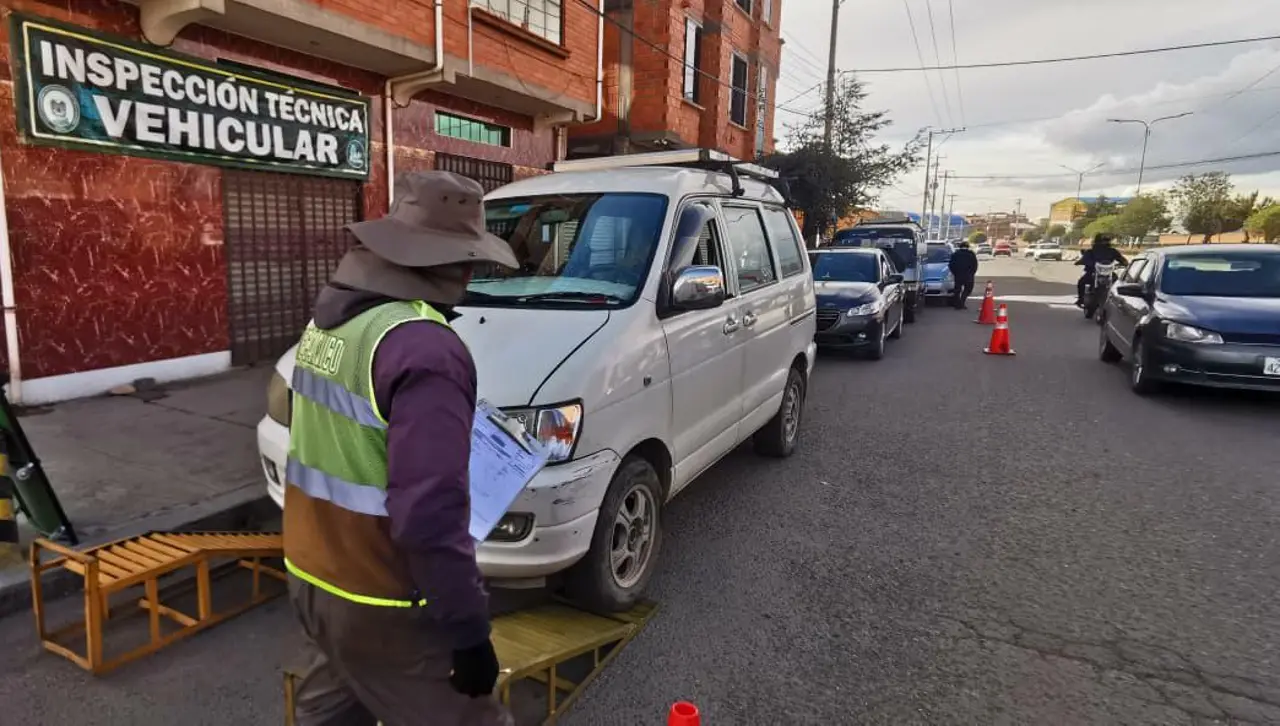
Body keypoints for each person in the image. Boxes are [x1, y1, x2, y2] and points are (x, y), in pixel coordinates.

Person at [283, 171, 520, 726]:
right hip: (381, 599)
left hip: (313, 575)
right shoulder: (426, 348)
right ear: (457, 264)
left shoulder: (331, 323)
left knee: (333, 713)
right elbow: (429, 516)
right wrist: (468, 632)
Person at [1075, 233, 1128, 306]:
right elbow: (1084, 259)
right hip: (1093, 272)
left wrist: (1123, 263)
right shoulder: (1091, 252)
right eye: (1103, 241)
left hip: (1108, 273)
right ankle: (1081, 299)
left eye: (1106, 240)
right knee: (1082, 282)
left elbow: (1122, 260)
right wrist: (1081, 262)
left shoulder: (1113, 251)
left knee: (1117, 283)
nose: (1105, 243)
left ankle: (1116, 302)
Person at [948, 241, 979, 309]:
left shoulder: (955, 254)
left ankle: (958, 304)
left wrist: (955, 273)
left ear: (960, 247)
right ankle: (962, 302)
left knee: (957, 290)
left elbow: (951, 265)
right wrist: (972, 273)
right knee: (968, 289)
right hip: (968, 276)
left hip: (958, 275)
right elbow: (975, 265)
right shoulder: (971, 254)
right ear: (967, 247)